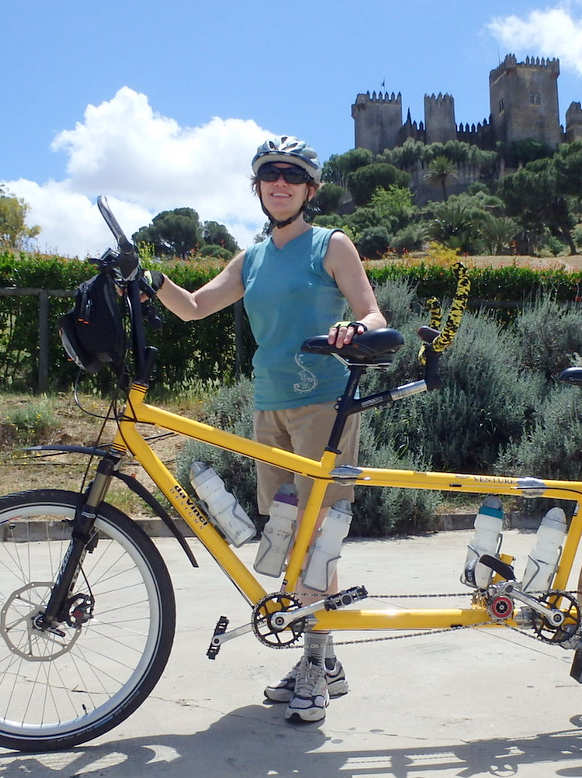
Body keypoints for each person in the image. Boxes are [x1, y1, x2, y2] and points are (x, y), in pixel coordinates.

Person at [144, 136, 386, 723]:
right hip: (268, 407)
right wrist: (147, 275)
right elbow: (195, 307)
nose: (280, 183)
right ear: (257, 187)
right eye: (270, 175)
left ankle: (315, 666)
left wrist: (356, 329)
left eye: (292, 176)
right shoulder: (250, 259)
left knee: (318, 535)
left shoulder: (331, 245)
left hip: (322, 405)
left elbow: (373, 312)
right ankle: (324, 659)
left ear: (309, 190)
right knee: (285, 530)